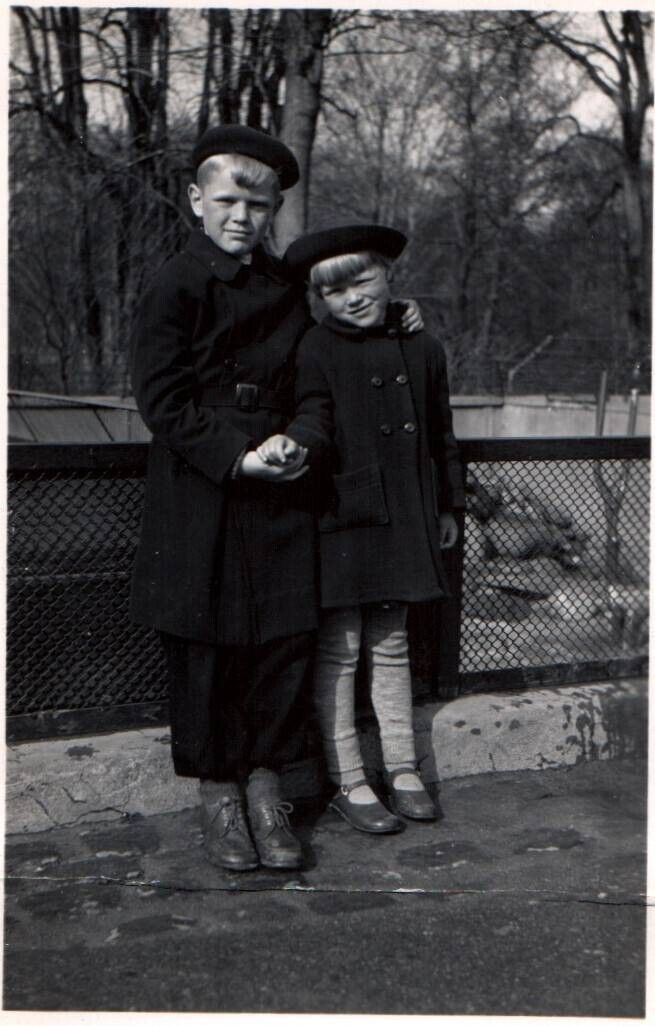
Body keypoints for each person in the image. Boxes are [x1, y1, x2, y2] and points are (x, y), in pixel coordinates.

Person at [130, 130, 423, 872]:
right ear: (197, 200)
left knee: (281, 644)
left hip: (283, 490)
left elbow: (319, 377)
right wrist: (237, 456)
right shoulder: (174, 284)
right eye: (226, 200)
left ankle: (268, 792)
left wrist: (301, 440)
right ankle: (220, 797)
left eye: (257, 204)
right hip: (205, 490)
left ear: (274, 211)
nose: (240, 216)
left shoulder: (287, 289)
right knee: (207, 648)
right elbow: (162, 401)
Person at [258, 224, 465, 835]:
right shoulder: (314, 348)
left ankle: (401, 768)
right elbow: (310, 417)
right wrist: (293, 447)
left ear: (389, 276)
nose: (350, 298)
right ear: (317, 299)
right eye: (332, 291)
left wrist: (448, 507)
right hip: (340, 515)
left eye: (362, 280)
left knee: (392, 642)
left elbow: (441, 430)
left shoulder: (422, 347)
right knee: (340, 648)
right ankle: (349, 777)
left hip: (404, 513)